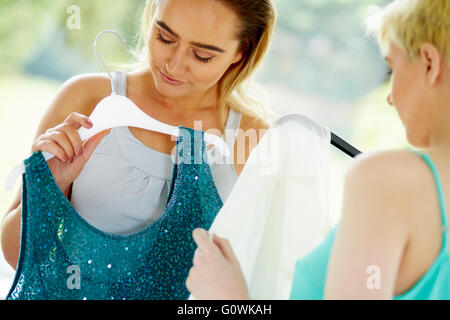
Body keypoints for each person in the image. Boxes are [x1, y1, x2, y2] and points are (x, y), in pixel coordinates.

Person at [186, 0, 450, 300]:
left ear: (429, 63)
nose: (390, 97)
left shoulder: (387, 181)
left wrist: (230, 297)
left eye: (392, 67)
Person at [1, 0, 277, 270]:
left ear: (242, 50)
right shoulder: (87, 100)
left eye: (202, 55)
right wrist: (50, 185)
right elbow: (18, 257)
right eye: (165, 37)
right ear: (152, 11)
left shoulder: (254, 139)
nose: (174, 65)